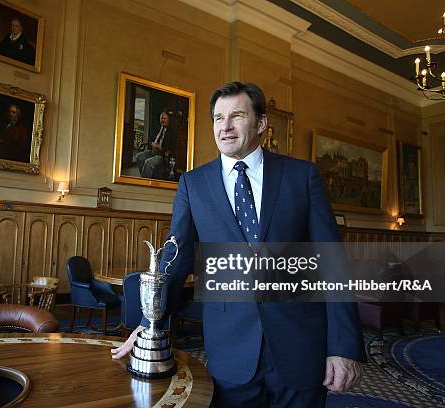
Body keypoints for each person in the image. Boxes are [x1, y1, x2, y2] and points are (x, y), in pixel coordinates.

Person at [111, 82, 365, 407]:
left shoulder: (302, 177)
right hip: (230, 351)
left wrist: (343, 346)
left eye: (237, 116)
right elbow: (175, 261)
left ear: (260, 123)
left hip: (300, 344)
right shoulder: (194, 184)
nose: (225, 127)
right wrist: (149, 325)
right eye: (218, 118)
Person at [136, 110, 176, 179]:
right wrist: (147, 143)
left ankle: (145, 181)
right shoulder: (157, 128)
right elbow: (151, 140)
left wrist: (160, 147)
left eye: (165, 118)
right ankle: (145, 177)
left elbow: (171, 146)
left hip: (162, 155)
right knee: (139, 156)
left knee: (148, 162)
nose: (163, 120)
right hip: (153, 151)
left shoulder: (171, 132)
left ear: (169, 120)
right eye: (161, 118)